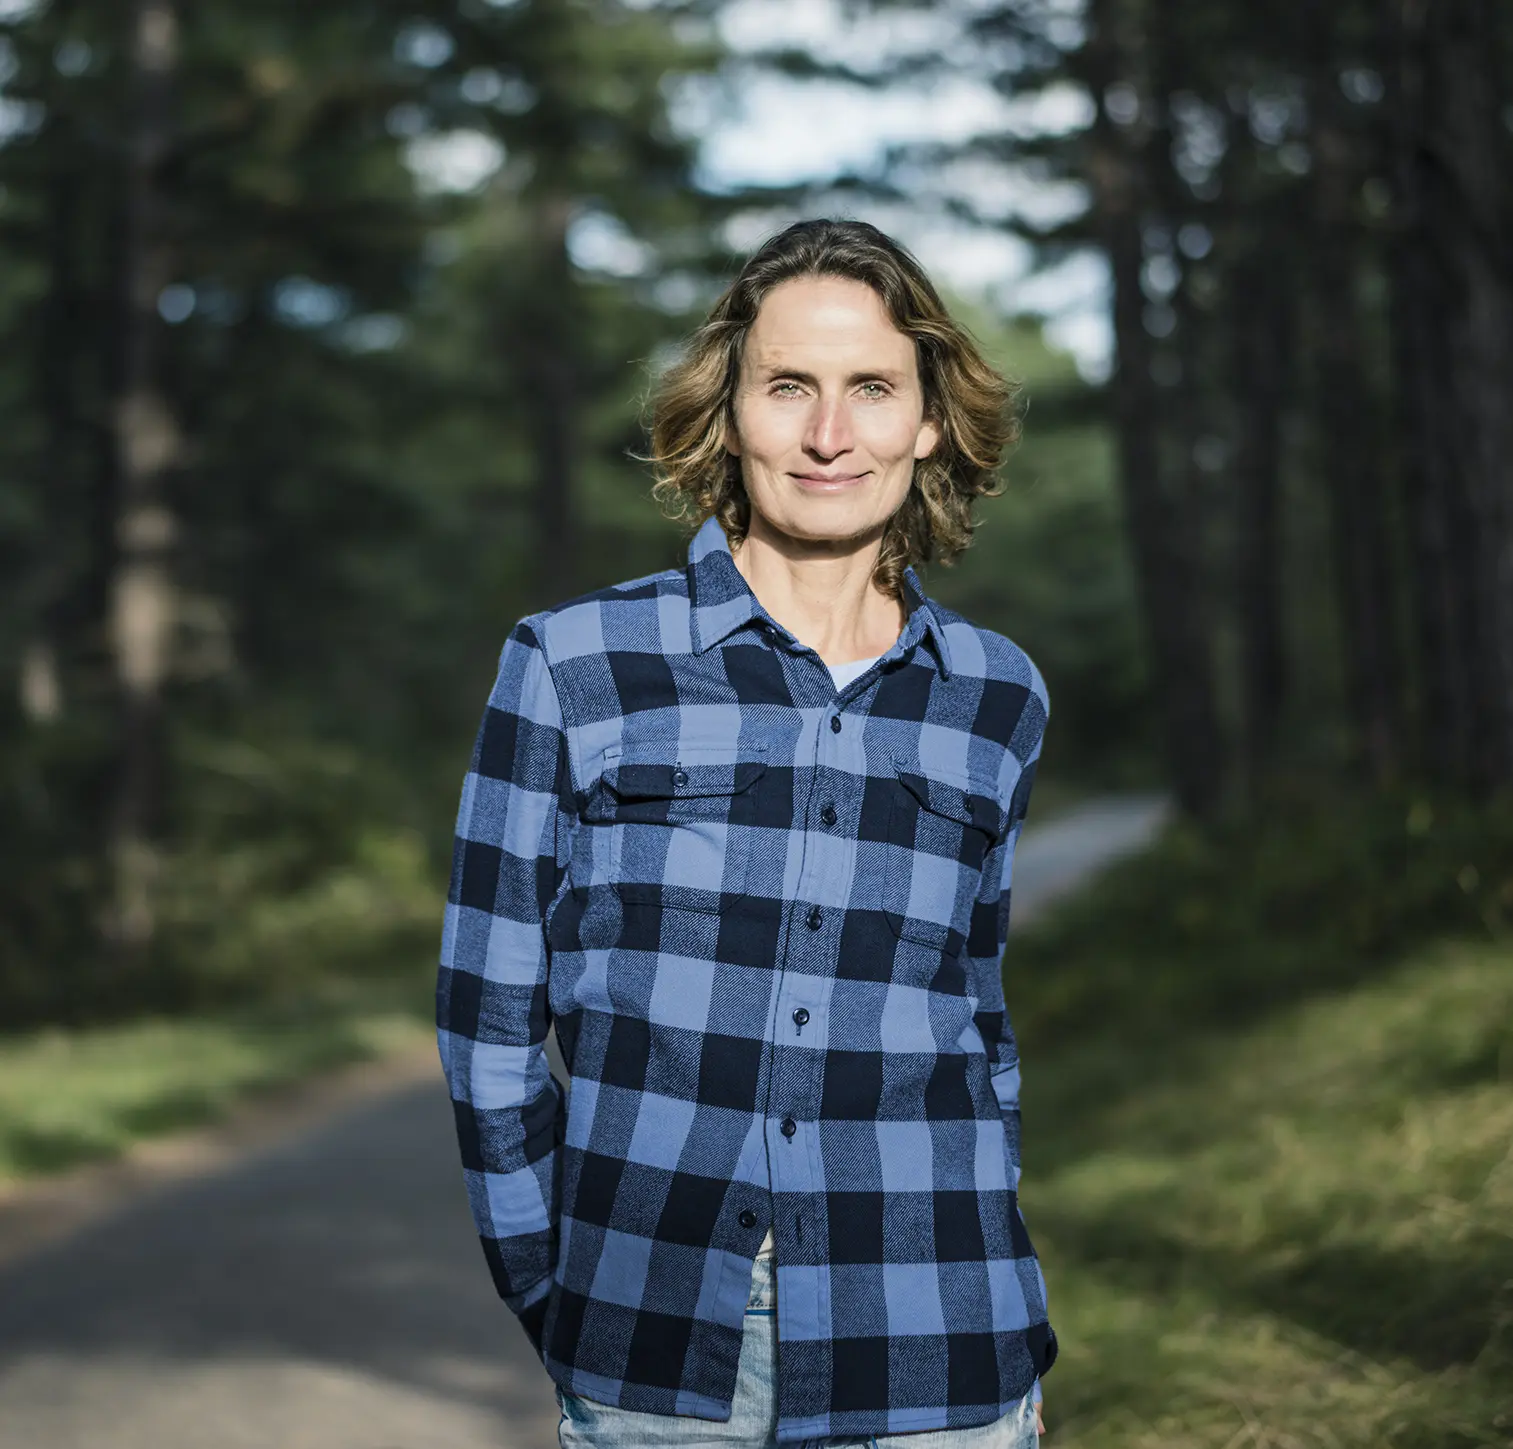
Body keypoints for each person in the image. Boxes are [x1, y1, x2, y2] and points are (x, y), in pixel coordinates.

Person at [437, 218, 1054, 1448]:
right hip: (657, 1353)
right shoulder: (573, 663)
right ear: (727, 411)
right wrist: (558, 1291)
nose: (830, 435)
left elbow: (975, 1011)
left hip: (944, 1340)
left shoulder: (997, 694)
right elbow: (487, 1021)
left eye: (871, 388)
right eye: (788, 387)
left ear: (928, 421)